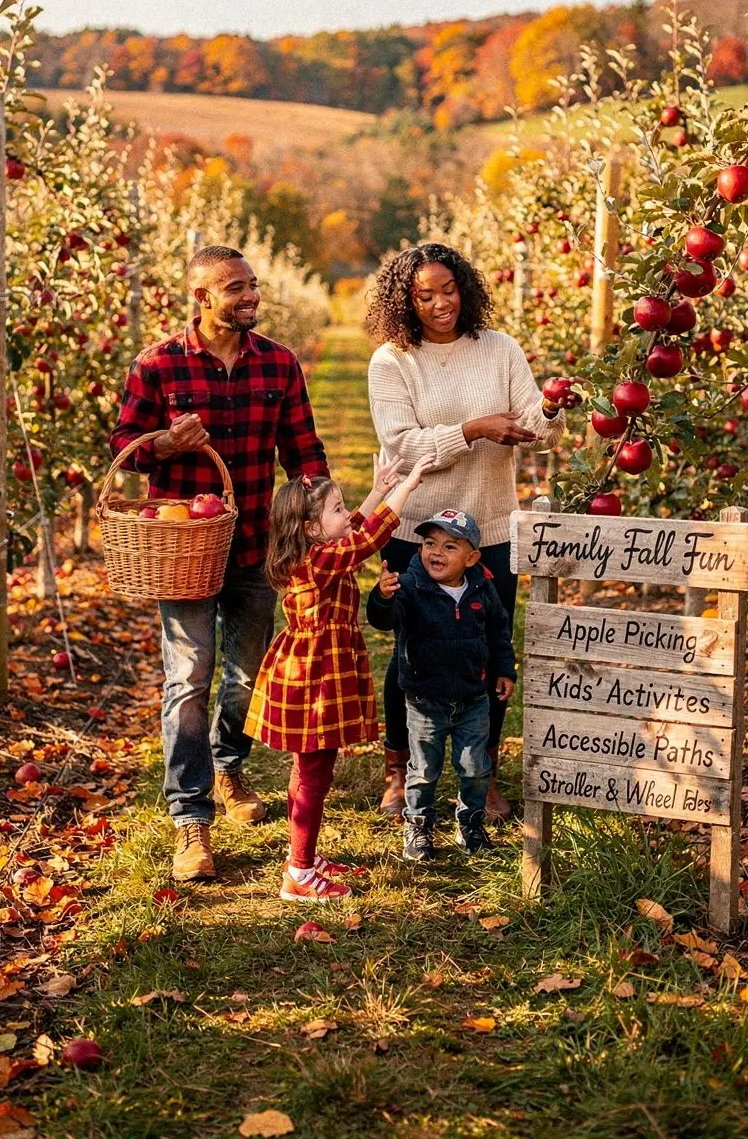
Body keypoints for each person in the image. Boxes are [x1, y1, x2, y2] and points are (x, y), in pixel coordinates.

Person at [110, 244, 328, 884]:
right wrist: (163, 443)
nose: (250, 297)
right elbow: (123, 445)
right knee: (188, 676)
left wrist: (319, 516)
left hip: (259, 545)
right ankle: (191, 817)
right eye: (235, 288)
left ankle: (228, 766)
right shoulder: (157, 366)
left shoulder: (279, 364)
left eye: (252, 285)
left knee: (244, 675)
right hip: (182, 551)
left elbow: (304, 451)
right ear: (201, 296)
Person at [366, 242, 576, 821]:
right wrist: (474, 429)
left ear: (465, 287)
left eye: (448, 290)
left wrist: (554, 409)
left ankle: (479, 775)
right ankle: (401, 767)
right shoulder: (391, 361)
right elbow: (404, 445)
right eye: (424, 295)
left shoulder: (499, 348)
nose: (440, 304)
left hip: (488, 528)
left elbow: (535, 427)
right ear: (404, 302)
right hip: (416, 527)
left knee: (486, 649)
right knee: (415, 649)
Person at [244, 453, 432, 903]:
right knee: (313, 774)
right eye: (337, 509)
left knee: (310, 770)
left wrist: (379, 489)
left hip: (314, 668)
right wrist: (407, 487)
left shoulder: (315, 553)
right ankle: (300, 871)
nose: (347, 515)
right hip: (315, 676)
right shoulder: (320, 562)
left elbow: (352, 531)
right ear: (311, 528)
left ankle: (303, 858)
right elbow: (366, 539)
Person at [367, 508, 517, 861]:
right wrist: (382, 597)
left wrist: (504, 670)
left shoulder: (483, 588)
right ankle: (418, 826)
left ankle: (471, 825)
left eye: (450, 546)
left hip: (473, 697)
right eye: (429, 542)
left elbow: (498, 631)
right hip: (425, 699)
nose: (436, 552)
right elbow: (383, 621)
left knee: (475, 767)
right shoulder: (409, 587)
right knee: (423, 770)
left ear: (472, 557)